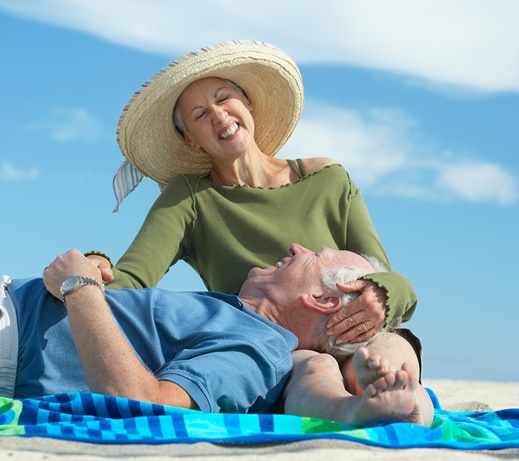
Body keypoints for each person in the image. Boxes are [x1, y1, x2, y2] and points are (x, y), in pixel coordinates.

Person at [88, 40, 422, 408]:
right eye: (199, 114)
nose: (217, 115)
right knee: (313, 367)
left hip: (356, 329)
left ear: (248, 103)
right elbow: (132, 281)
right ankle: (354, 410)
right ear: (190, 140)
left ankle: (399, 399)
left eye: (224, 98)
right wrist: (95, 265)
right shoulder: (190, 197)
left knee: (388, 349)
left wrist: (383, 295)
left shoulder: (327, 178)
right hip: (269, 346)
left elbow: (385, 271)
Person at [0, 244, 433, 427]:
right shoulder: (235, 314)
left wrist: (81, 289)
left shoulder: (258, 348)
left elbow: (142, 404)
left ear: (323, 301)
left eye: (313, 257)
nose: (295, 248)